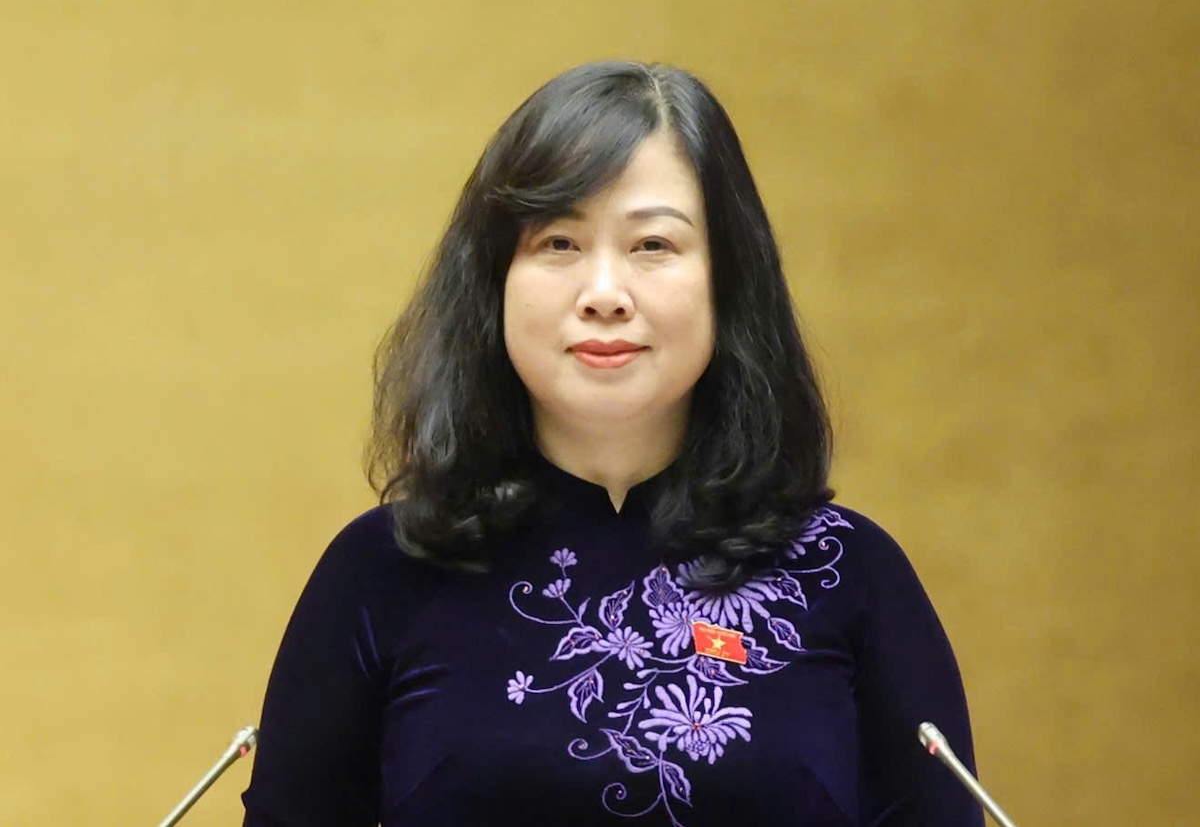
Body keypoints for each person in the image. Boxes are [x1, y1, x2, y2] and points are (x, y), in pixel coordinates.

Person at [241, 60, 984, 826]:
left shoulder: (849, 574)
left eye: (652, 244)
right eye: (559, 242)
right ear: (494, 280)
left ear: (730, 280)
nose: (603, 294)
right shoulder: (382, 572)